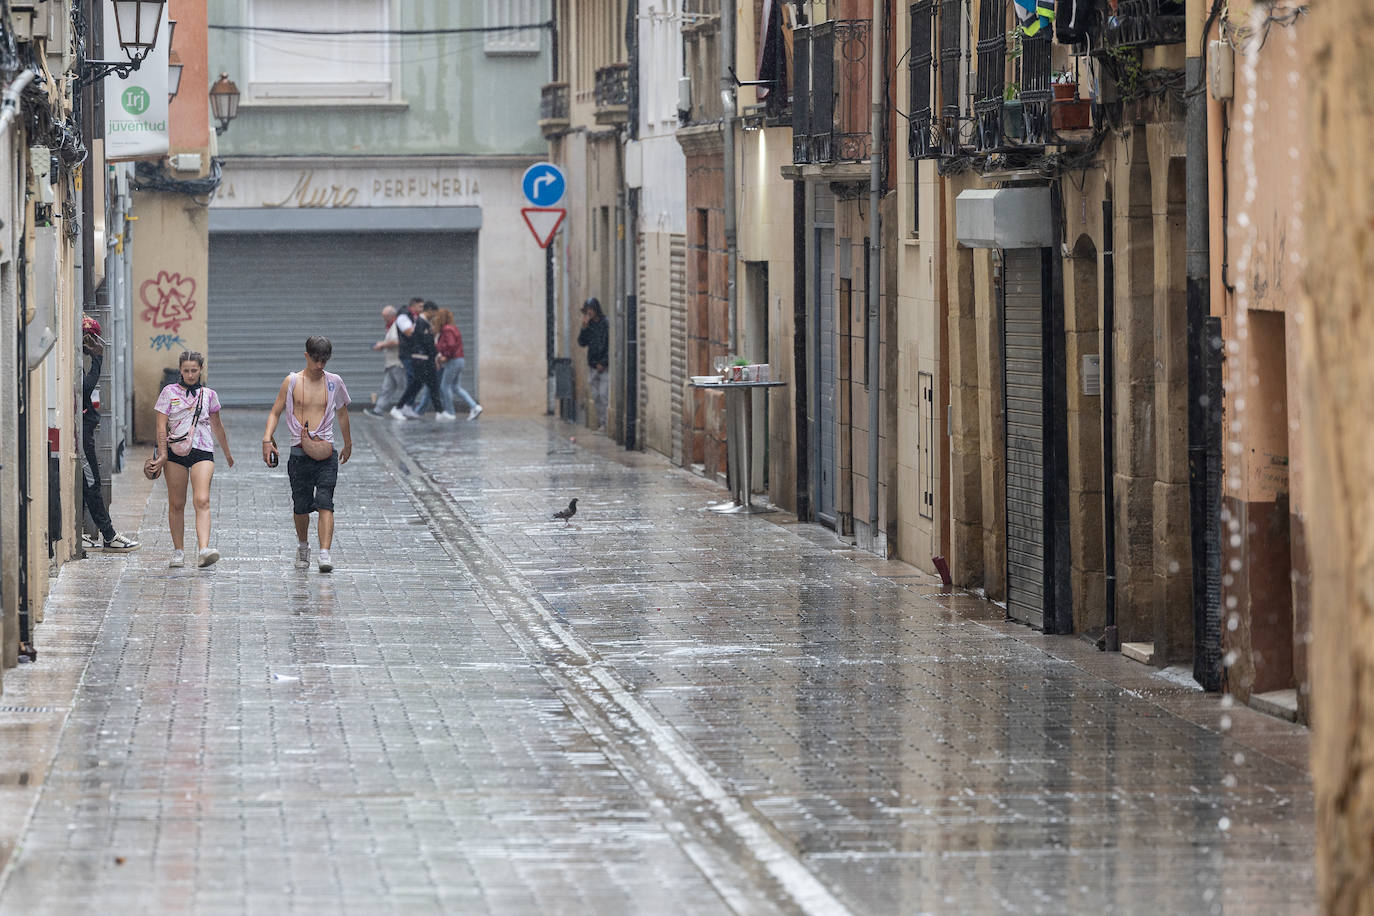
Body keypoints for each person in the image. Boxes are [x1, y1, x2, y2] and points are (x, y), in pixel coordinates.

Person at [262, 336, 353, 573]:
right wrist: (266, 439)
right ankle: (303, 546)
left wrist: (348, 443)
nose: (320, 365)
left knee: (326, 501)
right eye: (315, 359)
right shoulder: (292, 381)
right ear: (306, 356)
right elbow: (275, 411)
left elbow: (342, 413)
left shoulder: (334, 382)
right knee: (301, 505)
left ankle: (325, 552)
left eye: (324, 360)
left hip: (326, 451)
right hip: (299, 453)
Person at [150, 350, 233, 568]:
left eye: (194, 370)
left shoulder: (209, 395)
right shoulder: (168, 392)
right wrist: (162, 454)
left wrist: (226, 451)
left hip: (203, 450)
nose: (190, 375)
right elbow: (161, 426)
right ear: (180, 370)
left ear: (201, 370)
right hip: (175, 451)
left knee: (202, 499)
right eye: (186, 371)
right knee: (177, 503)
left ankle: (204, 549)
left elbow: (217, 424)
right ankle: (178, 551)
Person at [79, 315, 139, 553]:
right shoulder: (81, 359)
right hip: (80, 434)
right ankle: (109, 535)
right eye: (91, 339)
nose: (94, 344)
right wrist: (98, 358)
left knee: (86, 483)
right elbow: (85, 388)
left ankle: (81, 532)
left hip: (83, 430)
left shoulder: (77, 359)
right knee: (92, 484)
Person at [390, 299, 445, 420]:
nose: (422, 308)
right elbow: (417, 337)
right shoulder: (413, 319)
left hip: (424, 357)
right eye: (420, 306)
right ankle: (399, 407)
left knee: (426, 384)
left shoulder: (420, 321)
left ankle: (438, 411)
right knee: (416, 384)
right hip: (418, 357)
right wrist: (435, 354)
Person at [432, 308, 482, 421]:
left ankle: (450, 412)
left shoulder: (447, 329)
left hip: (453, 361)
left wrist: (446, 356)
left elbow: (451, 344)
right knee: (455, 387)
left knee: (445, 386)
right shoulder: (452, 328)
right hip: (458, 360)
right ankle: (474, 406)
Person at [364, 305, 404, 417]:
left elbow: (397, 341)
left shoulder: (397, 326)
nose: (384, 319)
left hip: (398, 363)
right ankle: (378, 410)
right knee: (387, 388)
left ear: (391, 315)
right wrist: (382, 346)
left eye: (385, 317)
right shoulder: (390, 326)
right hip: (391, 363)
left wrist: (382, 344)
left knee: (404, 387)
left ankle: (405, 408)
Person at [578, 297, 609, 431]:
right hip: (593, 365)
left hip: (604, 366)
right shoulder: (589, 325)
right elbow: (582, 342)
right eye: (586, 311)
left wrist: (603, 362)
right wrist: (584, 328)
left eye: (590, 310)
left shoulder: (605, 324)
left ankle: (607, 423)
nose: (588, 313)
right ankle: (602, 423)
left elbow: (609, 344)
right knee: (596, 396)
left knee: (604, 394)